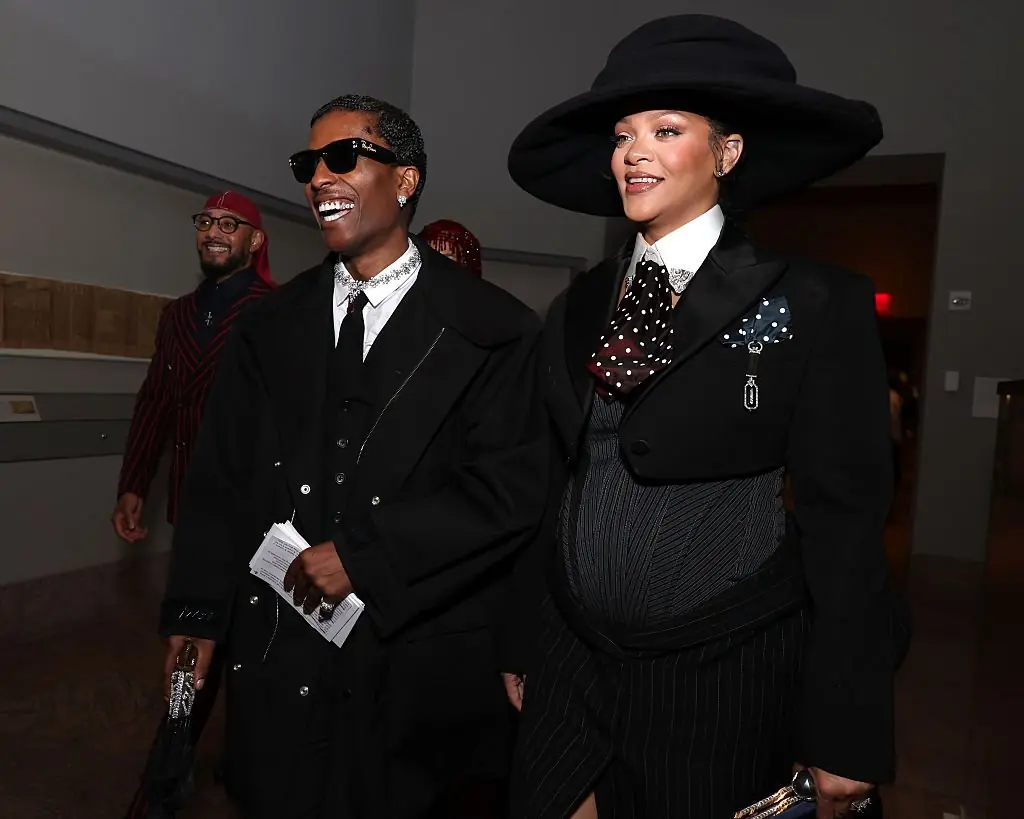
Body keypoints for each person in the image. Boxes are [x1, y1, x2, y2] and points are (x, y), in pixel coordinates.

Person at [501, 15, 908, 819]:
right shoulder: (578, 305)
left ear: (727, 152)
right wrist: (523, 637)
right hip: (573, 662)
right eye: (621, 135)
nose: (634, 152)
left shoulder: (813, 300)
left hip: (723, 677)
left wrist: (847, 727)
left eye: (665, 129)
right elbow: (549, 481)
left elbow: (846, 523)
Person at [157, 94, 547, 819]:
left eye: (345, 157)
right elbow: (220, 478)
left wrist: (365, 555)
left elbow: (511, 492)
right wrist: (196, 612)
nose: (320, 178)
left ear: (405, 181)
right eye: (309, 164)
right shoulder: (268, 326)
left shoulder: (494, 330)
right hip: (280, 644)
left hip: (416, 660)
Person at [112, 190, 274, 744]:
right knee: (188, 643)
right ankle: (172, 761)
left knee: (252, 653)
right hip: (194, 515)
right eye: (206, 221)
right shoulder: (177, 314)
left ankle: (248, 762)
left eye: (230, 224)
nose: (214, 231)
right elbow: (155, 400)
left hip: (256, 521)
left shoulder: (276, 313)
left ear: (254, 241)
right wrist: (135, 482)